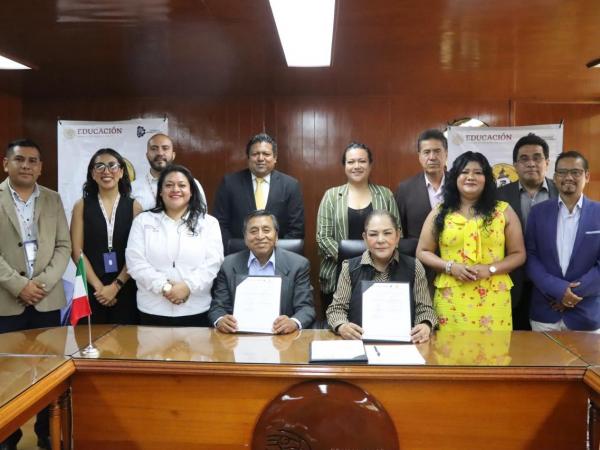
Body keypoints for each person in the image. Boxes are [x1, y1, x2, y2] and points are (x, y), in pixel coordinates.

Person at [0, 138, 71, 450]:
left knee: (49, 369)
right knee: (5, 372)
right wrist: (19, 285)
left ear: (41, 168)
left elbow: (64, 246)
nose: (26, 165)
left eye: (32, 161)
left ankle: (46, 431)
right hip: (6, 300)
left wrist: (41, 284)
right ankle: (7, 435)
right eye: (19, 160)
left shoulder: (53, 199)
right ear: (6, 164)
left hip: (46, 300)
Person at [416, 151, 526, 331]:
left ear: (487, 179)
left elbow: (519, 254)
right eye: (464, 172)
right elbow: (422, 251)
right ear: (455, 178)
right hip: (451, 296)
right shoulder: (440, 211)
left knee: (494, 347)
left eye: (478, 172)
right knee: (449, 347)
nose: (471, 177)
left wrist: (490, 269)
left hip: (493, 297)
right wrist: (450, 267)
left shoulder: (503, 211)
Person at [126, 164, 223, 326]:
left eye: (182, 185)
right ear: (160, 191)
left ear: (191, 191)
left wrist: (188, 286)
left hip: (195, 309)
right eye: (169, 185)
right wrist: (164, 287)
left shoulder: (208, 223)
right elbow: (135, 262)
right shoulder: (143, 221)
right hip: (152, 309)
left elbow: (213, 262)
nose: (175, 189)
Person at [326, 210, 436, 343]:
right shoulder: (349, 268)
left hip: (404, 345)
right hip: (359, 343)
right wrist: (342, 326)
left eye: (387, 233)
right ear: (365, 238)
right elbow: (336, 309)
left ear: (397, 236)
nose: (380, 240)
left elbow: (425, 309)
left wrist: (425, 325)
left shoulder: (414, 267)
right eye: (373, 234)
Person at [316, 142, 399, 312]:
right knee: (339, 322)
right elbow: (323, 238)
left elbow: (397, 233)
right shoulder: (331, 196)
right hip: (337, 273)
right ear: (344, 166)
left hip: (380, 271)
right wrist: (354, 264)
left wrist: (373, 261)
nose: (356, 166)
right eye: (351, 162)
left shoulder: (385, 194)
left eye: (362, 161)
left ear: (370, 165)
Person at [527, 151, 600, 331]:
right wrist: (558, 290)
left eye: (575, 172)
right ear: (554, 177)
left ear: (587, 176)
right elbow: (531, 257)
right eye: (562, 172)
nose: (568, 177)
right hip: (545, 313)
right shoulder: (537, 212)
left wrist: (570, 294)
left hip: (586, 314)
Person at [208, 210, 315, 333]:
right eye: (253, 231)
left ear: (276, 236)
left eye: (266, 230)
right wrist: (221, 320)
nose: (260, 236)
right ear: (245, 237)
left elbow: (306, 308)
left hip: (282, 336)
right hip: (239, 335)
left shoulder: (298, 264)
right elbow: (218, 307)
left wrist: (293, 322)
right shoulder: (228, 265)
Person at [70, 148, 143, 324]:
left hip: (126, 286)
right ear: (92, 174)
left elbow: (138, 253)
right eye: (100, 166)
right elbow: (76, 251)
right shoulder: (82, 205)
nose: (106, 171)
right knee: (90, 339)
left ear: (121, 172)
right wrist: (99, 288)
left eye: (112, 165)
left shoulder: (134, 206)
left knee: (126, 340)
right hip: (92, 288)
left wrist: (116, 286)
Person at [497, 133, 558, 330]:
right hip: (512, 281)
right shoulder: (498, 196)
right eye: (524, 159)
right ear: (515, 165)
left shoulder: (562, 193)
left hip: (551, 281)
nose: (531, 163)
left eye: (537, 158)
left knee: (549, 343)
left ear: (547, 162)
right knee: (514, 339)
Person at [213, 133, 305, 248]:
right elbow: (220, 224)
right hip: (238, 252)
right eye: (255, 154)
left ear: (275, 158)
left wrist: (275, 252)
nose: (261, 158)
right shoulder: (229, 183)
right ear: (248, 157)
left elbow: (296, 228)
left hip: (278, 254)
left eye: (266, 154)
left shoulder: (290, 185)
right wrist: (234, 248)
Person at [394, 129, 448, 257]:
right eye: (426, 152)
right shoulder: (405, 189)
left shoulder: (458, 185)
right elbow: (400, 230)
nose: (432, 157)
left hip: (454, 259)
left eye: (437, 151)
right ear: (419, 156)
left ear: (446, 154)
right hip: (417, 260)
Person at [131, 133, 206, 210]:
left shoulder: (191, 184)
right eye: (154, 149)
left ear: (173, 155)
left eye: (165, 148)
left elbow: (201, 214)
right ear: (147, 155)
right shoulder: (133, 188)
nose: (160, 153)